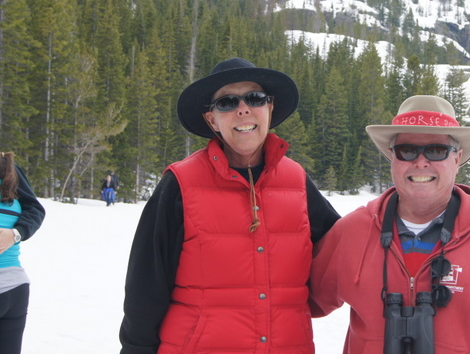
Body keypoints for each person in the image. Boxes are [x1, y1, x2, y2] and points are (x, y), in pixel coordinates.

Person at [119, 57, 340, 353]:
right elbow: (145, 286)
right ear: (212, 119)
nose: (243, 108)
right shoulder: (180, 182)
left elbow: (343, 255)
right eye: (226, 102)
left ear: (269, 108)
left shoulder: (297, 180)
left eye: (255, 98)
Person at [309, 95, 470, 354]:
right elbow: (293, 298)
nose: (421, 162)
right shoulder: (352, 232)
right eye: (407, 150)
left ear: (457, 158)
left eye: (436, 150)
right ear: (392, 157)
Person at [0, 151, 46, 354]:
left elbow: (34, 209)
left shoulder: (8, 169)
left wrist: (16, 234)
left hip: (12, 286)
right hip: (15, 288)